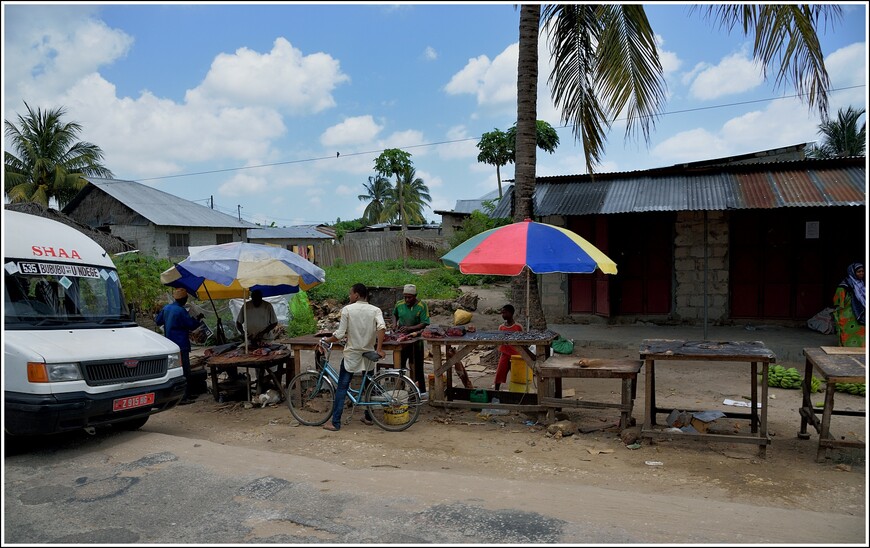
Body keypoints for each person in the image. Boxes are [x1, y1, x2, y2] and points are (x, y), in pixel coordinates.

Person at [319, 283, 386, 431]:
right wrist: (379, 349)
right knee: (368, 386)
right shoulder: (375, 310)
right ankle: (368, 417)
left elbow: (340, 334)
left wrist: (326, 340)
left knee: (342, 387)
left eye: (350, 293)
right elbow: (382, 328)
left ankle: (335, 422)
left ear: (356, 294)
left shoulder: (347, 310)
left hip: (352, 354)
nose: (349, 296)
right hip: (368, 353)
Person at [155, 287, 203, 405]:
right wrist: (198, 319)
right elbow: (191, 325)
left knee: (174, 370)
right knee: (185, 371)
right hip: (181, 344)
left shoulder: (167, 308)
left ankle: (174, 396)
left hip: (169, 345)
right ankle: (184, 397)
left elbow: (158, 321)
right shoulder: (181, 311)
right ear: (184, 299)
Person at [393, 283, 430, 397]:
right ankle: (401, 391)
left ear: (415, 296)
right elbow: (394, 315)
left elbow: (424, 323)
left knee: (417, 367)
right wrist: (394, 324)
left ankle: (420, 391)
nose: (407, 299)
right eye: (405, 297)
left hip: (416, 340)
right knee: (400, 365)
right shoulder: (399, 304)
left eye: (410, 297)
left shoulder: (422, 306)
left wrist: (410, 328)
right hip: (402, 339)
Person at [833, 262, 865, 347]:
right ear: (853, 272)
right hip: (847, 313)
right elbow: (838, 300)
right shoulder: (845, 285)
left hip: (859, 312)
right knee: (847, 330)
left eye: (862, 271)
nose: (861, 273)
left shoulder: (862, 284)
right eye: (859, 271)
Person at [493, 304, 523, 391]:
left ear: (511, 313)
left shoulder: (518, 327)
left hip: (516, 355)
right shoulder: (501, 327)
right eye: (502, 313)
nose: (503, 315)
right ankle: (496, 391)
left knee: (518, 375)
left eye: (505, 313)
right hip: (505, 354)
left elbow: (523, 341)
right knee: (499, 373)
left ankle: (519, 392)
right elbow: (499, 340)